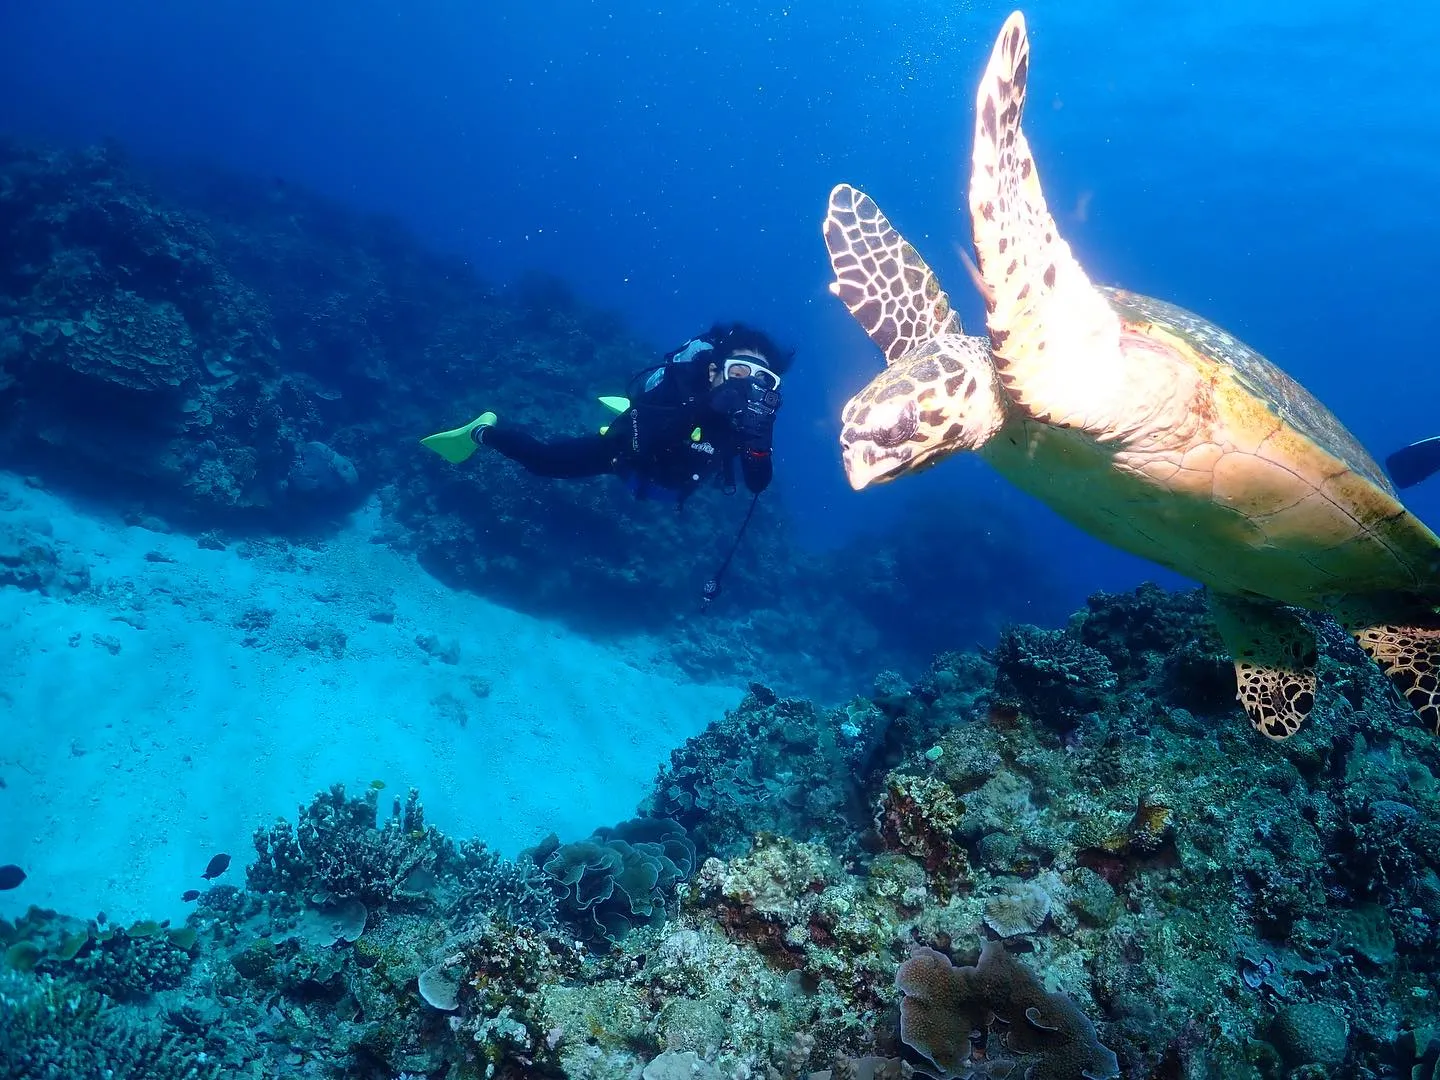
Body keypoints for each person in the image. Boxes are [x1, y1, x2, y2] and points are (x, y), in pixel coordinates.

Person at [420, 322, 791, 509]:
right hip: (624, 454)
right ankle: (482, 431)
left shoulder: (750, 420)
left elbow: (757, 484)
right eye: (740, 372)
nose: (748, 387)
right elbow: (646, 442)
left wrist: (760, 440)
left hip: (668, 486)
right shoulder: (682, 388)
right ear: (715, 371)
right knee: (545, 462)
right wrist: (704, 408)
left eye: (763, 380)